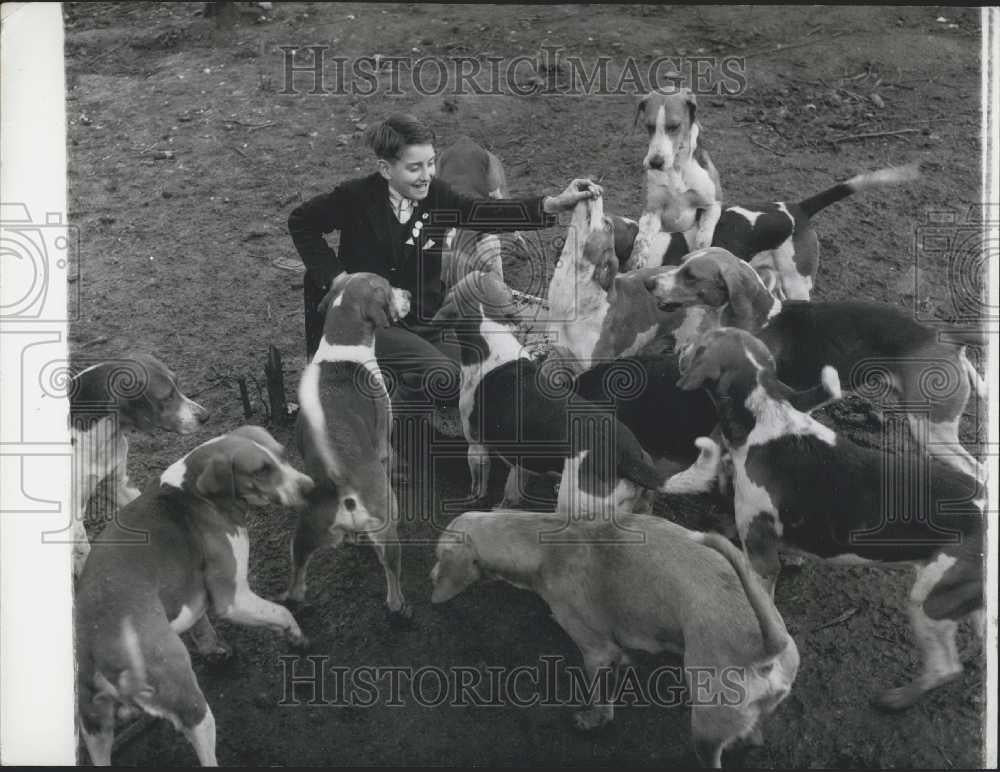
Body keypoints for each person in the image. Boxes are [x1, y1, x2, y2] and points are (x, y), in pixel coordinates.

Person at [287, 113, 602, 406]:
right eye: (415, 168)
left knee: (485, 371)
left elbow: (481, 213)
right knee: (448, 380)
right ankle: (385, 400)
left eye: (431, 163)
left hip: (428, 319)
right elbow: (301, 222)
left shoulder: (436, 194)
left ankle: (400, 373)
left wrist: (553, 204)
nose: (426, 176)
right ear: (386, 169)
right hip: (376, 320)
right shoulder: (354, 197)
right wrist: (338, 278)